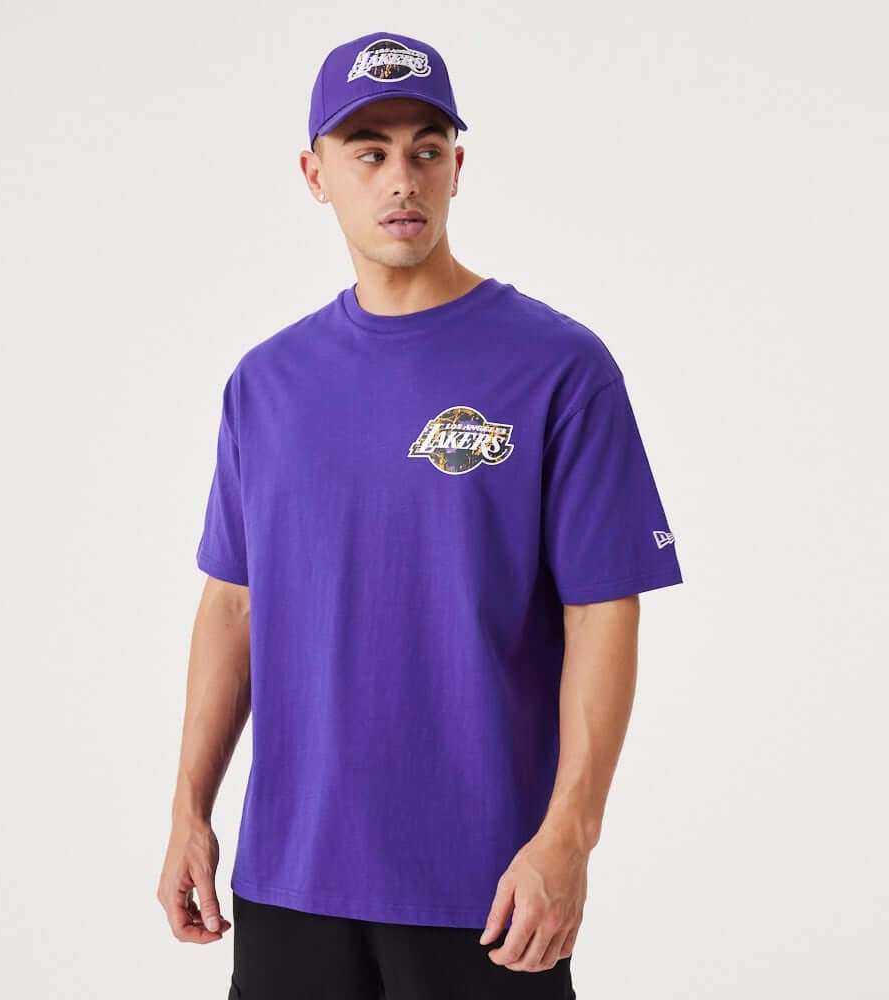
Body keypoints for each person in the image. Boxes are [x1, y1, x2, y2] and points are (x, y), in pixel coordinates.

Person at [157, 29, 684, 999]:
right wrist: (190, 808)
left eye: (425, 149)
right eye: (369, 152)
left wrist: (568, 838)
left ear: (456, 168)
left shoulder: (559, 369)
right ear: (315, 175)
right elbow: (231, 603)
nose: (402, 178)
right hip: (288, 882)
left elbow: (604, 610)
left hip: (487, 888)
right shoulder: (266, 384)